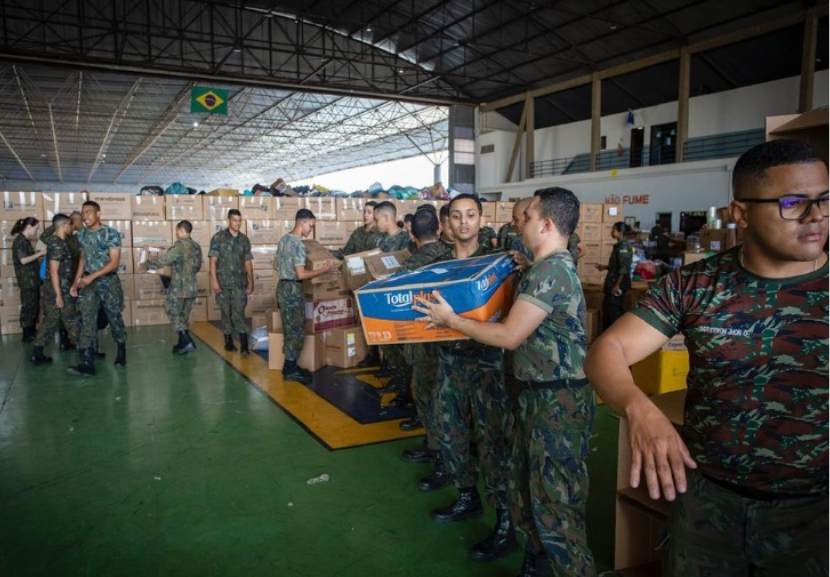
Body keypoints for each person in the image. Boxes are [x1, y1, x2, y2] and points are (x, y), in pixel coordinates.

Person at [585, 139, 828, 577]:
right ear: (740, 213)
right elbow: (608, 351)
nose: (816, 216)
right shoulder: (696, 285)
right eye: (794, 202)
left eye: (825, 199)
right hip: (708, 504)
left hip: (816, 514)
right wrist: (639, 409)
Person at [416, 187, 597, 576]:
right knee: (528, 489)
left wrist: (451, 321)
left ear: (546, 224)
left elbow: (509, 336)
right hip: (531, 394)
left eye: (526, 217)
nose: (519, 224)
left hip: (555, 402)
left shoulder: (551, 271)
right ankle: (534, 562)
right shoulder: (538, 268)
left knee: (556, 507)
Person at [415, 193, 514, 562]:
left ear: (481, 218)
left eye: (471, 215)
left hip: (487, 364)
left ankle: (505, 520)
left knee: (492, 442)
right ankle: (467, 496)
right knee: (450, 431)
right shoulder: (438, 264)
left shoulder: (496, 261)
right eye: (456, 216)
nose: (464, 222)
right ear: (446, 224)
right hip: (449, 361)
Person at [397, 210, 451, 489]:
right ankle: (435, 447)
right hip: (453, 339)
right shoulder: (451, 256)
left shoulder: (410, 266)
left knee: (430, 398)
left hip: (423, 342)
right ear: (440, 229)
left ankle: (442, 456)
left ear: (411, 234)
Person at [275, 209, 338, 384]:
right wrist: (323, 270)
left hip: (282, 287)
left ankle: (289, 366)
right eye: (310, 225)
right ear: (302, 222)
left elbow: (275, 264)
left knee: (289, 328)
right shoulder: (298, 244)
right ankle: (290, 368)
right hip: (293, 289)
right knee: (296, 329)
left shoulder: (284, 240)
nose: (311, 229)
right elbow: (301, 274)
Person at [68, 201, 127, 375]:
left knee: (114, 316)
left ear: (98, 213)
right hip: (88, 283)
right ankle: (87, 359)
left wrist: (91, 277)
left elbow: (114, 263)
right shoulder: (82, 235)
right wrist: (76, 282)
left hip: (108, 282)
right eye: (83, 213)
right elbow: (83, 259)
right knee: (87, 317)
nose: (85, 216)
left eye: (89, 212)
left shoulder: (111, 234)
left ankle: (121, 348)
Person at [372, 201, 414, 400]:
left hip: (398, 300)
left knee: (401, 347)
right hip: (382, 298)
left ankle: (404, 390)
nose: (375, 222)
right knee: (388, 345)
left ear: (387, 218)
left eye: (376, 218)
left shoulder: (405, 241)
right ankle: (396, 380)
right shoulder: (381, 241)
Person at [143, 221, 203, 355]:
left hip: (179, 287)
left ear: (181, 230)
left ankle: (186, 339)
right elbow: (198, 266)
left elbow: (164, 260)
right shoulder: (197, 246)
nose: (176, 234)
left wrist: (147, 262)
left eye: (177, 231)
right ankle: (183, 344)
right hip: (192, 286)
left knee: (170, 308)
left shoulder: (180, 245)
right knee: (183, 315)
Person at [30, 214, 80, 364]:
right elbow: (53, 270)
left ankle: (36, 353)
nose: (71, 228)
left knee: (51, 320)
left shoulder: (52, 241)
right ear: (63, 226)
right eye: (69, 225)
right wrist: (59, 295)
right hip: (60, 289)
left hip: (53, 287)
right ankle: (86, 351)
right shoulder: (58, 243)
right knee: (71, 318)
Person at [209, 209, 254, 356]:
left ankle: (244, 345)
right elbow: (213, 261)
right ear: (228, 220)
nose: (238, 223)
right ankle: (228, 342)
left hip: (239, 284)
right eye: (235, 220)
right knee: (226, 313)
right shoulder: (218, 238)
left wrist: (251, 281)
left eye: (240, 220)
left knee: (239, 313)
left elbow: (247, 262)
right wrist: (214, 281)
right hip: (223, 284)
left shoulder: (244, 240)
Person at [11, 216, 45, 343]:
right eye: (36, 229)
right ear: (29, 227)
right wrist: (40, 254)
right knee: (28, 306)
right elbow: (23, 260)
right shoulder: (20, 241)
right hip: (27, 281)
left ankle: (31, 330)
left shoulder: (25, 241)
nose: (36, 232)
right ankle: (27, 333)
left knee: (34, 305)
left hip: (32, 280)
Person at [594, 222, 632, 330]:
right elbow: (617, 265)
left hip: (617, 284)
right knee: (607, 310)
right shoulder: (619, 245)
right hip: (613, 282)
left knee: (614, 313)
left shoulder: (623, 246)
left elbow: (624, 267)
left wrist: (617, 285)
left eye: (614, 230)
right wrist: (605, 267)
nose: (612, 232)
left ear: (621, 232)